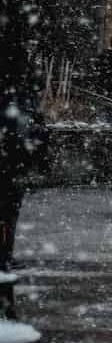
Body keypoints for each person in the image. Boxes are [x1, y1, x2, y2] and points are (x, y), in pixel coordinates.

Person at [0, 85, 49, 272]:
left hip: (11, 165)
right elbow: (38, 136)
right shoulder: (24, 107)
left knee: (7, 212)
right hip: (11, 167)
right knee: (8, 213)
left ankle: (4, 255)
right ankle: (4, 256)